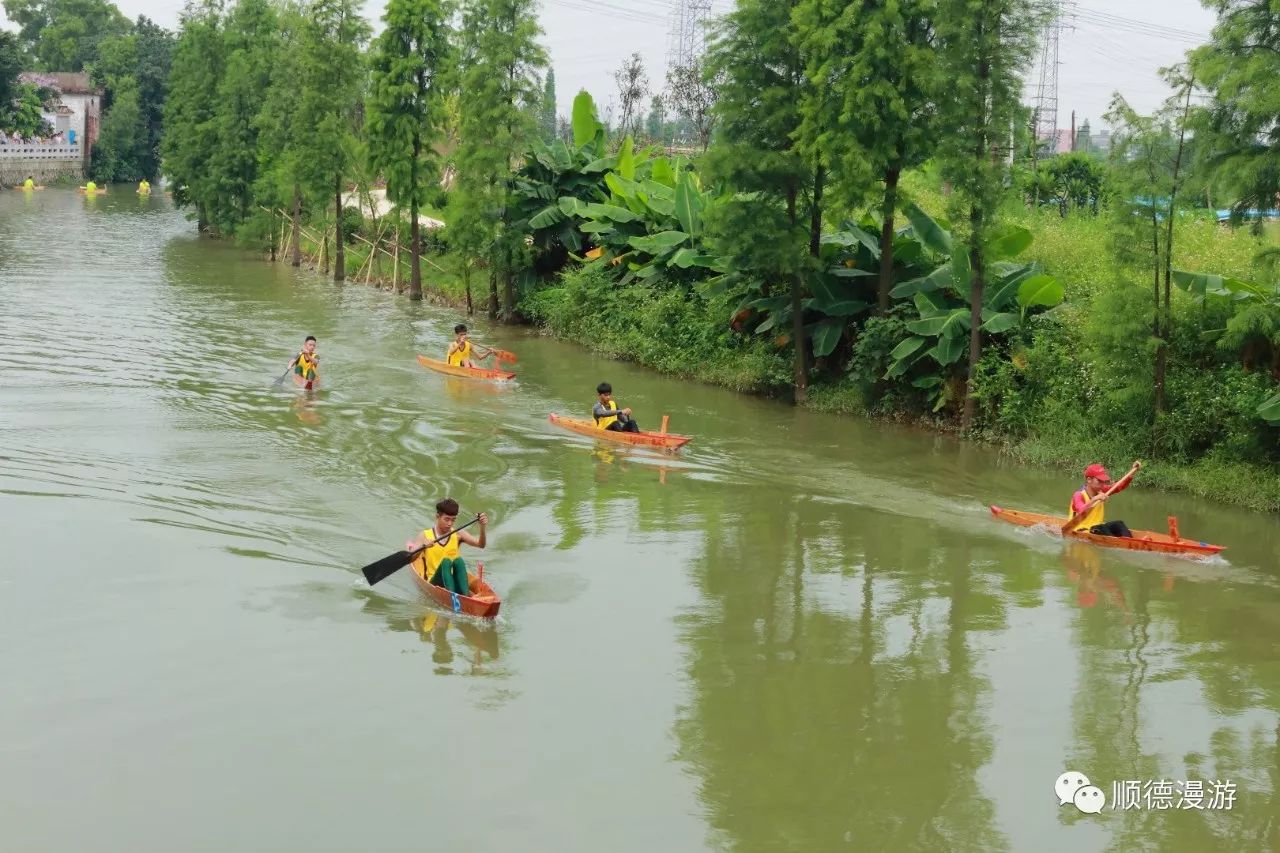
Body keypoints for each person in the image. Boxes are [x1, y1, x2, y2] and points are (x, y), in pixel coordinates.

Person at [405, 499, 488, 596]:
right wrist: (424, 547)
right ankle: (455, 597)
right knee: (446, 562)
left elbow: (481, 545)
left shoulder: (458, 534)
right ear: (437, 517)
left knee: (459, 561)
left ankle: (464, 596)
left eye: (453, 520)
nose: (450, 523)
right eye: (447, 519)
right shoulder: (425, 536)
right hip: (435, 581)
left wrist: (482, 527)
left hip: (453, 581)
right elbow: (411, 558)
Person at [1067, 462, 1136, 538]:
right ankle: (1118, 543)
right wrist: (1095, 499)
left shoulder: (1102, 490)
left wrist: (1132, 473)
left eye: (1103, 481)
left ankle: (1127, 542)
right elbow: (1081, 510)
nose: (1102, 484)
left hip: (1098, 528)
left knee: (1119, 524)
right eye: (1099, 481)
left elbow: (1118, 487)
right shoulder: (1078, 495)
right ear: (1089, 480)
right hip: (1080, 529)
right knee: (1100, 528)